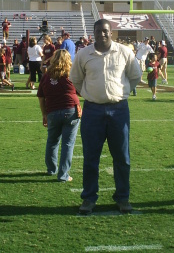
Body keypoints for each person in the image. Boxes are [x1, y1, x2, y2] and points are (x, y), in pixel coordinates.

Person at [70, 18, 142, 215]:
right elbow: (75, 79)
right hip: (92, 110)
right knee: (91, 157)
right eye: (98, 31)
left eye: (105, 31)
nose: (102, 34)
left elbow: (135, 76)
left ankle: (123, 197)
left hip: (119, 110)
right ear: (93, 33)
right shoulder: (84, 54)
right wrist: (89, 94)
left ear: (111, 32)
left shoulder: (124, 52)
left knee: (122, 157)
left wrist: (122, 92)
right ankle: (89, 198)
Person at [37, 49, 81, 182]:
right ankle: (63, 174)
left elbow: (40, 97)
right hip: (70, 110)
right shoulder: (71, 74)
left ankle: (51, 169)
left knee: (52, 141)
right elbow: (81, 91)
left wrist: (44, 114)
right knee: (68, 143)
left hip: (52, 111)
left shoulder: (46, 76)